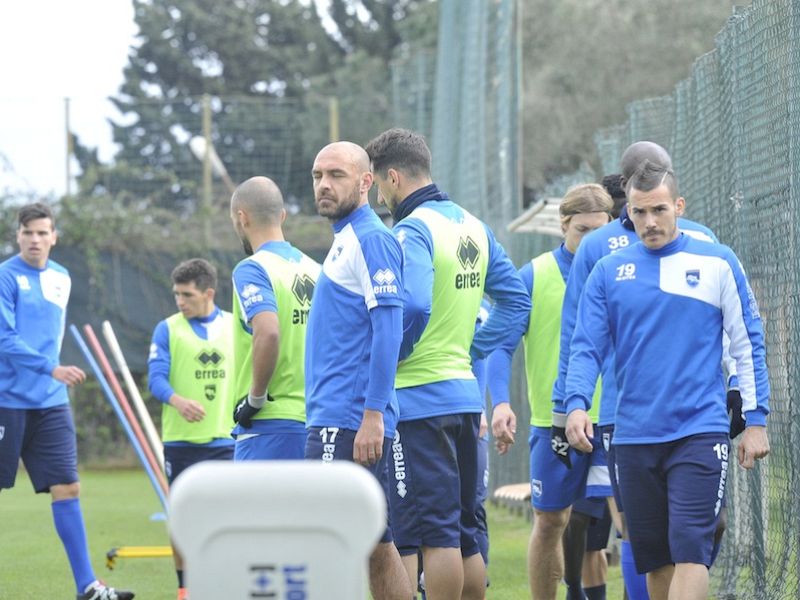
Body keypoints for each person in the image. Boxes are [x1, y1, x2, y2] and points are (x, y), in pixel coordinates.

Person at [564, 160, 770, 600]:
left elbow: (747, 341)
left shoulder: (717, 262)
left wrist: (755, 420)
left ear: (679, 206)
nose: (650, 221)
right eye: (640, 212)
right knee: (654, 559)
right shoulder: (609, 271)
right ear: (628, 213)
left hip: (700, 431)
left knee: (691, 552)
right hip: (633, 435)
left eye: (659, 209)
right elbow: (586, 346)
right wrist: (576, 403)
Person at [365, 127, 531, 600]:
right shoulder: (472, 225)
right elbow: (516, 302)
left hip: (419, 402)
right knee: (463, 533)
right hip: (463, 397)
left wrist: (393, 357)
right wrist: (471, 349)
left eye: (378, 184)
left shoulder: (411, 229)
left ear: (392, 178)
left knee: (433, 533)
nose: (379, 194)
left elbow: (413, 306)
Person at [551, 142, 722, 600]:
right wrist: (569, 404)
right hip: (622, 411)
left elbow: (573, 336)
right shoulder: (599, 251)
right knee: (650, 535)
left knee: (666, 533)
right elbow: (580, 335)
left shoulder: (702, 241)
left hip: (681, 416)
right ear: (626, 192)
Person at [0, 202, 134, 600]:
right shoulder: (5, 277)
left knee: (68, 487)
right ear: (18, 236)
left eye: (43, 232)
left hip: (50, 402)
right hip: (7, 399)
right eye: (28, 233)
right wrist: (51, 368)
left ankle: (88, 587)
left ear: (54, 237)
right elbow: (4, 339)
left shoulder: (62, 277)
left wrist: (51, 377)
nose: (36, 239)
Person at [486, 184, 613, 600]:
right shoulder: (534, 275)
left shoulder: (623, 270)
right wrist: (501, 401)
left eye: (601, 230)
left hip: (614, 417)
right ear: (563, 225)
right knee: (551, 522)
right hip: (553, 422)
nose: (592, 239)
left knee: (619, 522)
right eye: (583, 230)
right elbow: (501, 345)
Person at [305, 141, 414, 600]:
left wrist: (372, 414)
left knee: (332, 539)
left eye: (337, 175)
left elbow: (390, 328)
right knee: (373, 540)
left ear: (367, 182)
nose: (325, 185)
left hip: (347, 420)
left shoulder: (371, 239)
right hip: (337, 416)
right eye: (317, 176)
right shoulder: (346, 238)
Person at [147, 258, 235, 600]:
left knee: (227, 517)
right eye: (176, 295)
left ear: (208, 292)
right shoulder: (167, 329)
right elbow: (155, 379)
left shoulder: (234, 325)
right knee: (183, 519)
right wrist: (177, 400)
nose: (180, 302)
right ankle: (185, 588)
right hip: (182, 442)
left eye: (186, 294)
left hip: (227, 439)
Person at [229, 176, 319, 460]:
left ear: (241, 218)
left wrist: (255, 399)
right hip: (316, 421)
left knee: (253, 508)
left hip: (269, 425)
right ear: (282, 216)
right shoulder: (316, 270)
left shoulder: (252, 269)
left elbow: (268, 333)